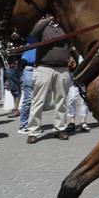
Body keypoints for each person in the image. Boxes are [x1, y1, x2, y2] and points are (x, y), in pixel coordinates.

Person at [25, 15, 73, 143]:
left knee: (61, 100)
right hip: (44, 67)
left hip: (62, 68)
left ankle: (60, 129)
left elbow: (72, 42)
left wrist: (72, 55)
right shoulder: (43, 25)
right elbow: (32, 34)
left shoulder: (65, 26)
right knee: (38, 100)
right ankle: (33, 131)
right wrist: (47, 20)